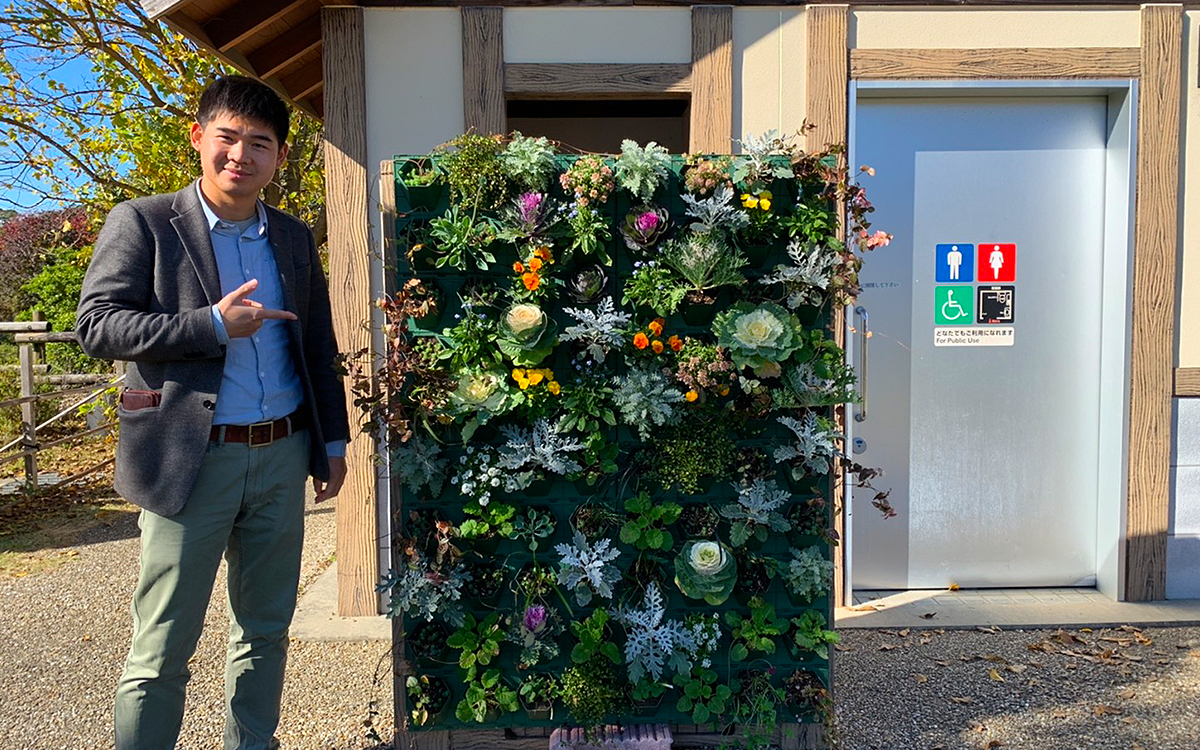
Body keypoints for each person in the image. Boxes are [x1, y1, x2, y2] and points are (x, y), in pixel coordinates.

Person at [76, 75, 350, 750]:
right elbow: (98, 325)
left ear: (280, 157)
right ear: (199, 137)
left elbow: (318, 342)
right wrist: (212, 326)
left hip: (283, 453)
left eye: (260, 143)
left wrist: (334, 442)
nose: (241, 155)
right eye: (227, 137)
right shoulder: (143, 222)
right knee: (163, 642)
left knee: (264, 629)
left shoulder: (290, 236)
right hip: (187, 458)